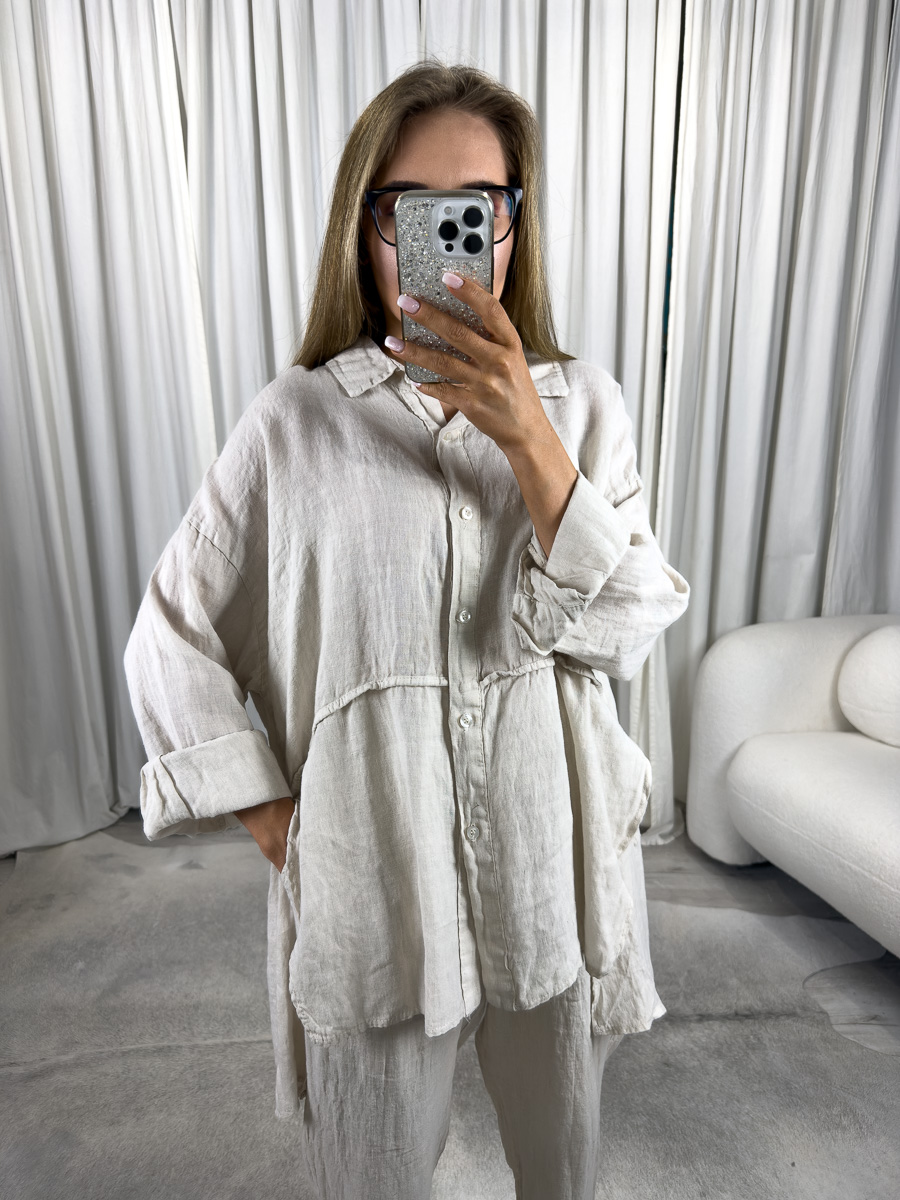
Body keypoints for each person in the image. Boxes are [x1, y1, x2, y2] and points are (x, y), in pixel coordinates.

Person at [124, 59, 690, 1200]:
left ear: (512, 226)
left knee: (562, 1168)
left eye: (477, 208)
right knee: (374, 1173)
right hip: (374, 878)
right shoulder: (293, 425)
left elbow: (630, 623)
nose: (446, 240)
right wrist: (279, 821)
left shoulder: (585, 406)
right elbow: (170, 631)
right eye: (410, 210)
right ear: (366, 223)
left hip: (552, 863)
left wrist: (530, 440)